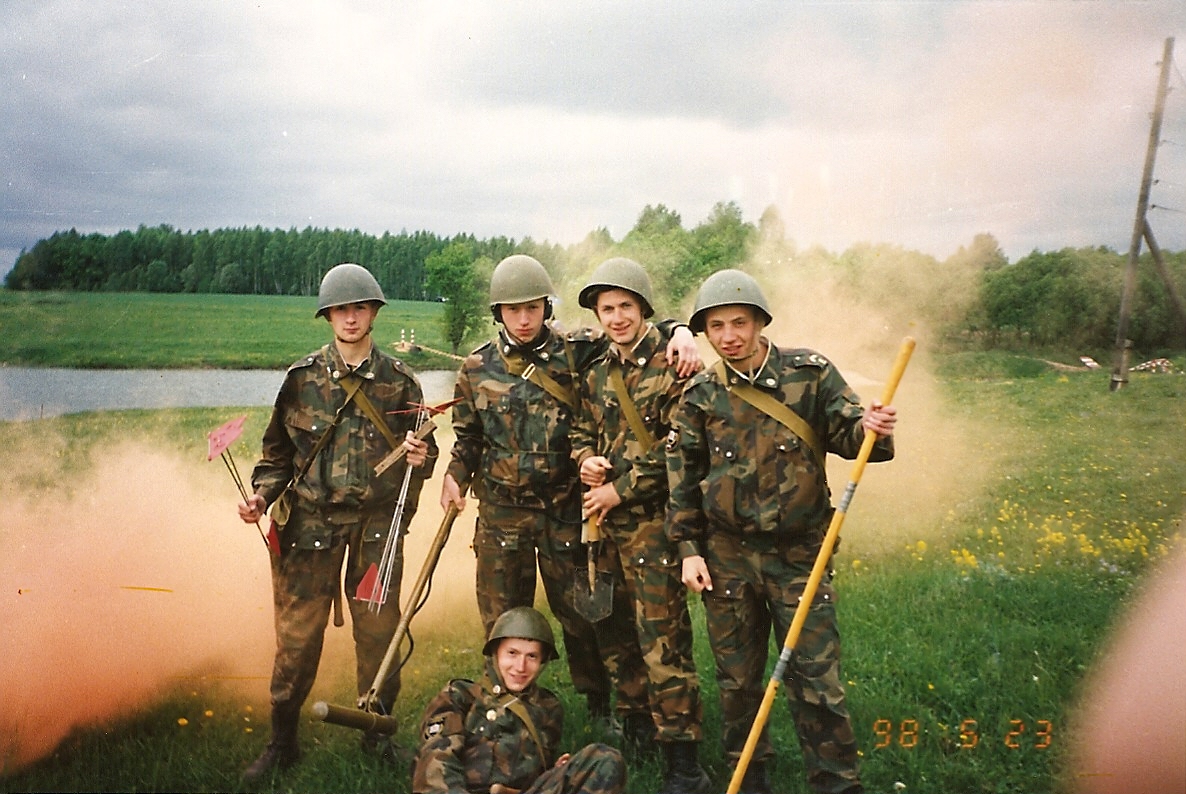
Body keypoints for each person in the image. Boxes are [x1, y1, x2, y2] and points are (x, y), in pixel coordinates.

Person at [439, 254, 700, 736]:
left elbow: (631, 327)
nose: (523, 319)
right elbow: (469, 437)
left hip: (566, 512)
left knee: (585, 614)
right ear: (498, 313)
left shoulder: (579, 349)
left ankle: (599, 701)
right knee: (501, 618)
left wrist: (682, 330)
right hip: (502, 517)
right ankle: (501, 712)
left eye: (532, 308)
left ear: (547, 307)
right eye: (513, 310)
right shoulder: (476, 367)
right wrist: (454, 475)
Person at [665, 269, 897, 794]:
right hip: (727, 558)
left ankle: (836, 782)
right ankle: (750, 777)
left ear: (760, 321)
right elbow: (683, 478)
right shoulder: (700, 395)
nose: (729, 336)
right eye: (716, 326)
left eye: (739, 323)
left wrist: (872, 428)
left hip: (799, 556)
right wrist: (688, 550)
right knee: (738, 682)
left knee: (816, 678)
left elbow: (853, 436)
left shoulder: (809, 374)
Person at [236, 262, 437, 781]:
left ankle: (376, 734)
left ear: (374, 313)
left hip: (375, 531)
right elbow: (276, 457)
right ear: (327, 316)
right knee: (297, 638)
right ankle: (282, 742)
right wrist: (261, 497)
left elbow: (426, 453)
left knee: (378, 632)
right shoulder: (300, 380)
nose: (351, 318)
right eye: (341, 309)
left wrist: (421, 458)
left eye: (360, 308)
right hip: (309, 527)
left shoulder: (400, 383)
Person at [570, 258, 710, 794]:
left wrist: (619, 489)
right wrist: (585, 459)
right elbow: (580, 428)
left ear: (645, 308)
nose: (617, 317)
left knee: (662, 640)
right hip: (604, 529)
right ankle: (636, 730)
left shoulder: (675, 365)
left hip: (656, 527)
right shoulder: (595, 370)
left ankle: (683, 760)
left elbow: (681, 449)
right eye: (607, 309)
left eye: (626, 306)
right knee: (614, 633)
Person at [412, 606, 627, 794]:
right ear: (496, 653)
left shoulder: (548, 707)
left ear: (542, 661)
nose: (520, 667)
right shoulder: (460, 695)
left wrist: (553, 773)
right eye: (512, 653)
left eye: (531, 656)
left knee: (605, 758)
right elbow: (436, 760)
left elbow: (532, 779)